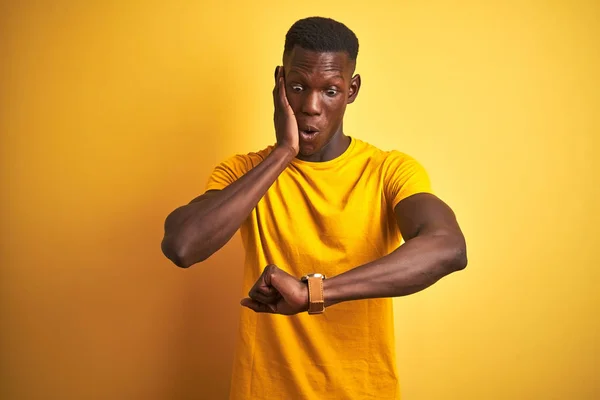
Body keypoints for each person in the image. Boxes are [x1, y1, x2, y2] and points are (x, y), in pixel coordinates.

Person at [161, 16, 467, 400]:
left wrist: (314, 293)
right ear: (279, 83)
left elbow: (448, 247)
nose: (310, 106)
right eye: (297, 87)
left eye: (330, 91)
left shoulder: (389, 171)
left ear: (352, 89)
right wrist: (283, 154)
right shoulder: (243, 173)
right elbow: (182, 245)